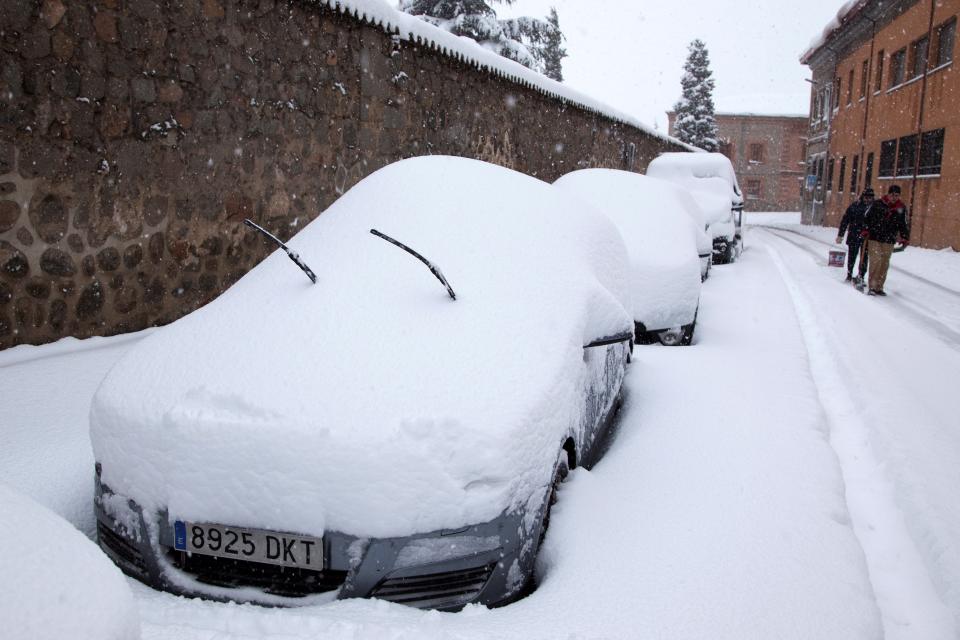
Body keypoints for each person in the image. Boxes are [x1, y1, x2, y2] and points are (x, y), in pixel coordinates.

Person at [860, 184, 910, 296]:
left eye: (897, 195)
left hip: (889, 239)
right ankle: (872, 286)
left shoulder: (901, 208)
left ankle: (879, 287)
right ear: (888, 194)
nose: (894, 197)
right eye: (892, 195)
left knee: (884, 263)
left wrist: (905, 237)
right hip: (874, 237)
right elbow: (866, 218)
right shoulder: (877, 204)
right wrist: (865, 229)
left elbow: (903, 224)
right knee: (876, 261)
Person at [836, 187, 873, 281]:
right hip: (854, 235)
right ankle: (849, 273)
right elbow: (845, 220)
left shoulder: (874, 207)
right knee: (852, 256)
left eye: (870, 197)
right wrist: (841, 235)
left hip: (867, 237)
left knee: (864, 258)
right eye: (866, 197)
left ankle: (861, 275)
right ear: (862, 197)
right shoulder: (854, 206)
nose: (868, 199)